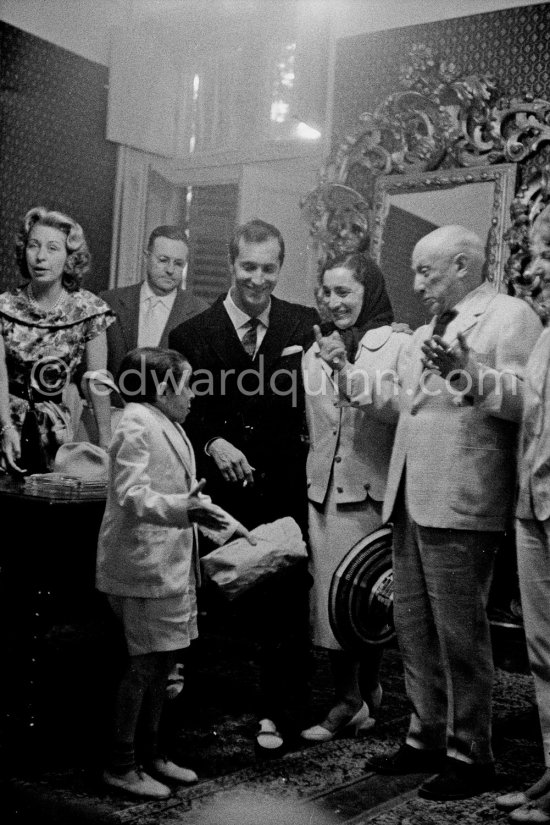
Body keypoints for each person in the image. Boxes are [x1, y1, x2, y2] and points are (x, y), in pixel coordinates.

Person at [366, 225, 543, 801]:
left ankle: (472, 753)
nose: (415, 284)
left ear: (464, 267)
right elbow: (413, 407)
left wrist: (466, 369)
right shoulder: (425, 330)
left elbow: (527, 405)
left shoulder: (511, 316)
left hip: (463, 498)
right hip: (411, 495)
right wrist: (356, 383)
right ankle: (425, 735)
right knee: (412, 627)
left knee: (460, 635)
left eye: (427, 272)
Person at [169, 218, 320, 755]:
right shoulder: (191, 335)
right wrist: (213, 443)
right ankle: (194, 714)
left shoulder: (304, 325)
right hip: (219, 491)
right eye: (247, 266)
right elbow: (180, 410)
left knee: (285, 597)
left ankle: (283, 712)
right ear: (232, 264)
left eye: (269, 268)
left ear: (280, 267)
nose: (258, 279)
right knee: (214, 595)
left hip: (282, 488)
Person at [96, 346, 253, 799]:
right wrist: (183, 509)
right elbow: (131, 493)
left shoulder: (168, 424)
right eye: (188, 385)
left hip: (168, 566)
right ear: (163, 388)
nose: (194, 396)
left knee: (163, 663)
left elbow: (186, 497)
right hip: (142, 566)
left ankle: (153, 754)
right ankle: (120, 764)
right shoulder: (135, 422)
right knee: (144, 666)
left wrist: (226, 524)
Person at [300, 252, 410, 742]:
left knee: (369, 601)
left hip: (374, 492)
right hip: (325, 491)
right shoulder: (312, 350)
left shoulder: (398, 344)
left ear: (369, 292)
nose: (334, 301)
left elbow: (397, 413)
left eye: (345, 291)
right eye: (327, 292)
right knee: (330, 601)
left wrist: (347, 371)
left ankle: (367, 691)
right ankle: (348, 697)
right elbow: (315, 427)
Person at [496, 205, 550, 824]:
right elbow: (527, 411)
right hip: (532, 509)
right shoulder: (542, 335)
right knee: (543, 654)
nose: (532, 270)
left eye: (545, 255)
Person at [0, 206, 115, 474]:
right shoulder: (3, 307)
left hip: (58, 427)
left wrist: (106, 440)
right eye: (33, 246)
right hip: (4, 419)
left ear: (69, 258)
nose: (40, 257)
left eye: (52, 248)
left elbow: (97, 380)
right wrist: (5, 427)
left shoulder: (90, 309)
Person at [100, 225, 209, 383]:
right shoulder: (109, 302)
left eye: (178, 263)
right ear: (146, 257)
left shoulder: (201, 313)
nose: (170, 270)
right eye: (163, 260)